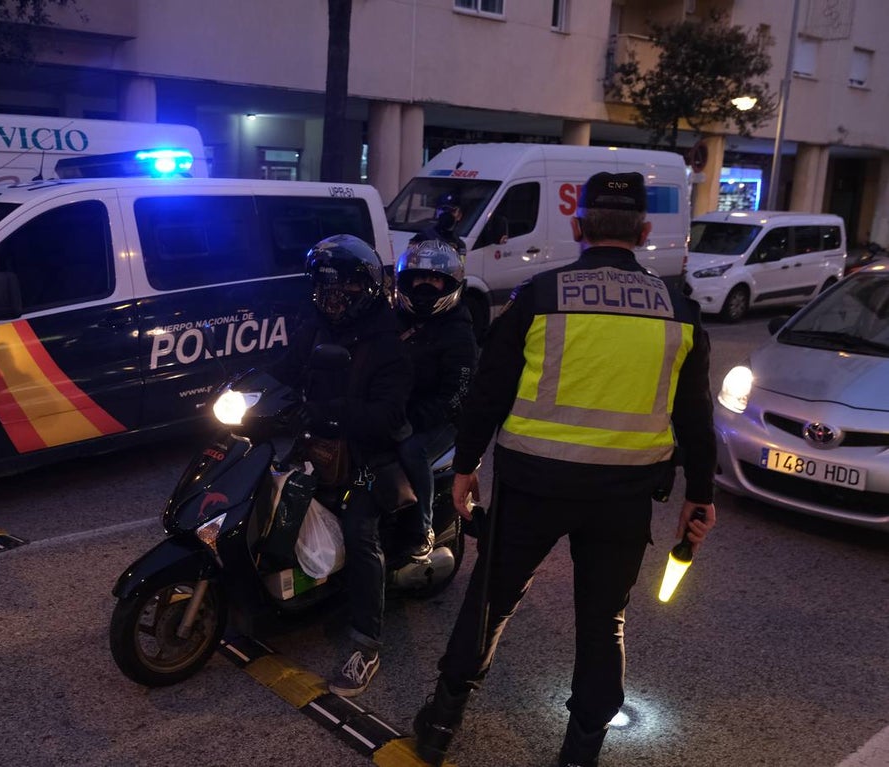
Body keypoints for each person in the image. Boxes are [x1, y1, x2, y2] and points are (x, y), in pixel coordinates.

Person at [411, 172, 718, 767]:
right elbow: (696, 419)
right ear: (644, 232)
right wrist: (699, 496)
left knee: (490, 602)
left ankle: (440, 725)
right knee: (604, 623)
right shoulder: (678, 309)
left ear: (579, 228)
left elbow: (489, 389)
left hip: (532, 486)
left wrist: (466, 465)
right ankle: (580, 754)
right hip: (624, 499)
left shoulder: (540, 294)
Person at [273, 233, 413, 697]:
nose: (333, 296)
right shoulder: (315, 325)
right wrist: (248, 388)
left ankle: (366, 645)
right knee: (269, 492)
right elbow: (286, 368)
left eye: (345, 286)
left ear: (367, 287)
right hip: (317, 443)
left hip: (368, 454)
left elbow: (387, 416)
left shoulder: (387, 340)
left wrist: (331, 413)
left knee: (359, 531)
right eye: (324, 286)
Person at [393, 239, 478, 560]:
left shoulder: (458, 332)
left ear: (449, 285)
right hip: (394, 410)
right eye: (418, 279)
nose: (425, 286)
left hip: (441, 419)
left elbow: (457, 393)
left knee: (411, 449)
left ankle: (421, 528)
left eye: (434, 279)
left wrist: (411, 419)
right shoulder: (395, 320)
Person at [411, 193, 466, 258]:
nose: (446, 213)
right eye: (443, 209)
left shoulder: (459, 244)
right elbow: (410, 257)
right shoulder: (423, 236)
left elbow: (461, 263)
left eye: (451, 211)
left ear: (459, 215)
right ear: (437, 212)